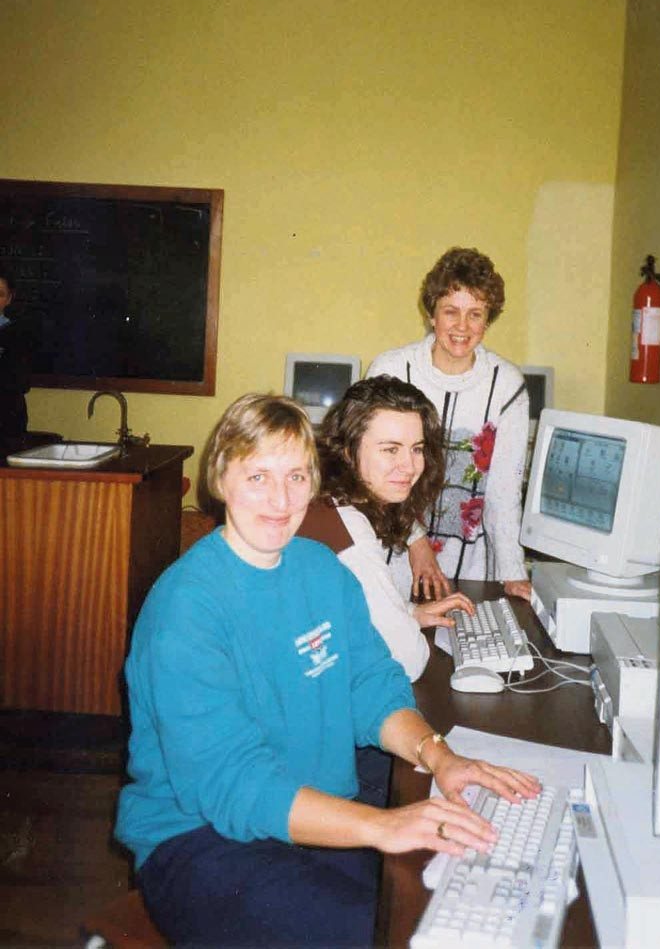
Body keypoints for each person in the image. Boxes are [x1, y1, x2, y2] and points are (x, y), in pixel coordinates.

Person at [115, 392, 539, 948]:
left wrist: (440, 756)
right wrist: (381, 825)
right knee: (393, 931)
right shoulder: (186, 607)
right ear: (220, 480)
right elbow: (233, 785)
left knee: (452, 906)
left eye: (296, 477)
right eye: (258, 477)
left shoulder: (320, 568)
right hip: (203, 840)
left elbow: (371, 685)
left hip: (310, 818)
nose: (280, 499)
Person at [368, 246, 532, 601]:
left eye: (475, 314)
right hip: (390, 556)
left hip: (469, 570)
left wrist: (512, 573)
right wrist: (416, 542)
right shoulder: (390, 370)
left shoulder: (507, 386)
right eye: (451, 312)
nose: (462, 326)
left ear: (488, 320)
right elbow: (369, 474)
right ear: (432, 314)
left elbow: (504, 493)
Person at [316, 375, 476, 681]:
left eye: (416, 449)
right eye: (390, 449)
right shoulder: (349, 531)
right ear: (348, 450)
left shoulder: (328, 501)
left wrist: (408, 612)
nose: (410, 466)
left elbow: (352, 604)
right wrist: (405, 625)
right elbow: (406, 662)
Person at [0, 263, 31, 456]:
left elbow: (21, 383)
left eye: (0, 294)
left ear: (9, 299)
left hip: (7, 424)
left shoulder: (17, 334)